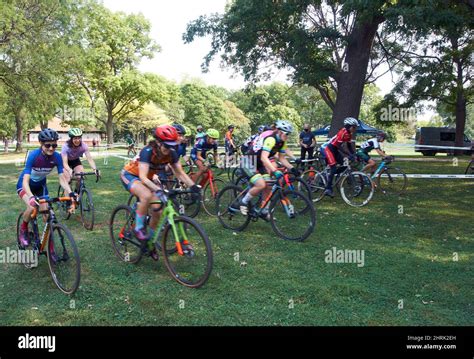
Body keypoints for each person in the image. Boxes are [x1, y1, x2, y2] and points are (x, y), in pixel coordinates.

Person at [120, 125, 200, 259]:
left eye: (172, 146)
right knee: (145, 195)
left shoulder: (172, 153)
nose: (169, 149)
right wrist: (159, 190)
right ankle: (138, 228)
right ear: (158, 142)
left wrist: (193, 186)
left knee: (159, 210)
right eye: (166, 146)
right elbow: (143, 177)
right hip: (131, 175)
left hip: (147, 178)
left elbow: (180, 173)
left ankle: (148, 243)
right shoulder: (148, 151)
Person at [17, 129, 76, 246]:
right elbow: (25, 181)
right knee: (31, 206)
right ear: (40, 143)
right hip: (25, 186)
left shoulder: (57, 157)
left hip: (41, 186)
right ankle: (23, 229)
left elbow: (62, 178)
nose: (51, 148)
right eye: (47, 145)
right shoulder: (34, 155)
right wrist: (31, 197)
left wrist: (70, 192)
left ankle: (49, 246)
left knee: (47, 215)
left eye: (54, 145)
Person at [236, 120, 300, 217]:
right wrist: (275, 171)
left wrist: (292, 168)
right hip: (248, 161)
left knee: (269, 186)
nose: (287, 136)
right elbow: (264, 157)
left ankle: (264, 210)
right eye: (287, 134)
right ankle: (243, 202)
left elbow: (282, 158)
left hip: (259, 164)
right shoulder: (271, 139)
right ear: (279, 131)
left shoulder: (282, 142)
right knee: (261, 184)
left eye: (289, 134)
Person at [321, 117, 358, 197]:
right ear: (348, 126)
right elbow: (338, 145)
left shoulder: (349, 134)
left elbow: (349, 146)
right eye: (354, 127)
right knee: (333, 168)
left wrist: (354, 154)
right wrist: (348, 154)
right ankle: (328, 188)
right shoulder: (342, 132)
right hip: (329, 149)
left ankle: (329, 175)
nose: (355, 129)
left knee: (345, 165)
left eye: (355, 127)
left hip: (335, 149)